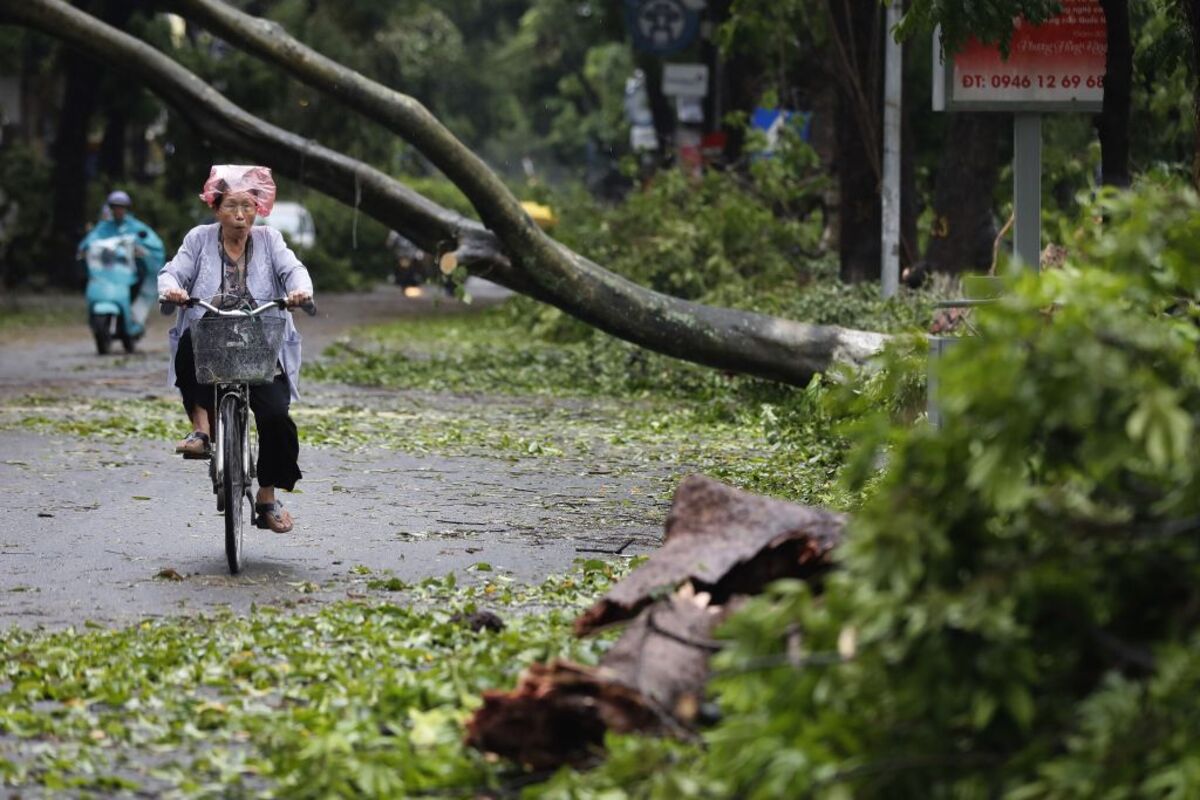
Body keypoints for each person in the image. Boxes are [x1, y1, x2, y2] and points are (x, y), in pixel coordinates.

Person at [158, 165, 314, 534]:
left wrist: (300, 291)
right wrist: (173, 290)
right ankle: (202, 432)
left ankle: (266, 497)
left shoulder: (270, 240)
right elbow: (172, 272)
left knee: (276, 416)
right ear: (216, 208)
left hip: (260, 341)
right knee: (188, 348)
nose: (240, 215)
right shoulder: (198, 239)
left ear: (258, 208)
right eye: (231, 206)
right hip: (209, 333)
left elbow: (294, 269)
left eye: (247, 205)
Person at [78, 190, 165, 299]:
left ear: (126, 208)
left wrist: (141, 249)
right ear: (111, 208)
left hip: (128, 270)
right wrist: (85, 248)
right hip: (105, 268)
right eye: (115, 207)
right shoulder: (103, 227)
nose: (118, 210)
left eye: (121, 207)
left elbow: (151, 241)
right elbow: (91, 239)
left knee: (140, 272)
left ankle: (133, 305)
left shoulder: (135, 226)